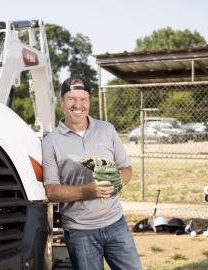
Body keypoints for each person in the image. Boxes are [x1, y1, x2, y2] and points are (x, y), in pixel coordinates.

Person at [42, 76, 142, 270]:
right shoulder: (50, 142)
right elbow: (52, 191)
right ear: (61, 102)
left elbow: (126, 169)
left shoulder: (107, 130)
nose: (78, 104)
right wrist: (89, 191)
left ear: (89, 101)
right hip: (80, 232)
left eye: (83, 98)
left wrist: (116, 182)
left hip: (116, 224)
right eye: (71, 98)